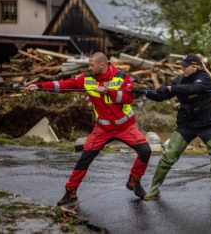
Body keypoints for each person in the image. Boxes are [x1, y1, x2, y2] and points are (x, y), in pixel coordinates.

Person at [26, 52, 151, 205]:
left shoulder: (121, 76)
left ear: (102, 65)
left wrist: (108, 91)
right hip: (102, 128)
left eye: (92, 65)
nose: (89, 68)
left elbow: (128, 98)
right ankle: (70, 192)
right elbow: (64, 85)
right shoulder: (87, 78)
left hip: (124, 127)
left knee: (145, 151)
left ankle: (134, 181)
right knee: (84, 159)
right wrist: (39, 87)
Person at [133, 53, 211, 200]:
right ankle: (154, 188)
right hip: (187, 123)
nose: (182, 68)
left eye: (185, 66)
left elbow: (192, 89)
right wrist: (145, 92)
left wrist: (172, 88)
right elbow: (161, 96)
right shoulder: (179, 80)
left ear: (194, 66)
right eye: (181, 66)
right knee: (168, 157)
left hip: (206, 123)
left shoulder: (205, 78)